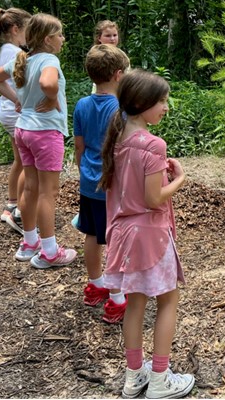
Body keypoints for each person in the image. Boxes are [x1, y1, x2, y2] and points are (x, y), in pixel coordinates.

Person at [97, 70, 195, 399]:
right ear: (142, 104)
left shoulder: (117, 139)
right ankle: (159, 380)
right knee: (168, 301)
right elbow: (154, 198)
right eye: (162, 101)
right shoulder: (153, 144)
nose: (166, 107)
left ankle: (133, 376)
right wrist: (179, 178)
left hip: (124, 236)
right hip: (150, 234)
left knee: (135, 303)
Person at [5, 14, 74, 268]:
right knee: (49, 192)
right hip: (45, 132)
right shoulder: (49, 59)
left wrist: (17, 99)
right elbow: (48, 82)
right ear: (48, 39)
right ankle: (49, 251)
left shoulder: (25, 59)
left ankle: (29, 241)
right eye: (60, 34)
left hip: (23, 130)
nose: (62, 39)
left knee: (31, 188)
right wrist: (53, 97)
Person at [75, 44, 129, 324]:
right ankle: (118, 300)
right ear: (118, 75)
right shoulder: (121, 109)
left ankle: (95, 285)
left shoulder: (82, 105)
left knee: (93, 235)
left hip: (88, 183)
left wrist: (84, 173)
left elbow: (79, 147)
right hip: (113, 185)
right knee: (116, 241)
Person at [0, 8, 32, 232]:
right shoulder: (14, 52)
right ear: (16, 29)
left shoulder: (8, 49)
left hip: (9, 110)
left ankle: (11, 205)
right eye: (27, 29)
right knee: (26, 160)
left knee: (19, 160)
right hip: (14, 113)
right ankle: (20, 209)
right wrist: (17, 100)